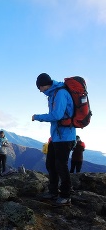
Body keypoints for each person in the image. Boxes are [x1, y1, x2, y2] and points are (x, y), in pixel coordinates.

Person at [32, 73, 76, 206]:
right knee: (51, 164)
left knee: (61, 166)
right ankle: (53, 192)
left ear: (44, 84)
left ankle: (65, 195)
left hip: (65, 137)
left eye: (39, 87)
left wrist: (37, 117)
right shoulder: (53, 94)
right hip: (57, 137)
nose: (40, 90)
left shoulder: (61, 93)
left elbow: (57, 115)